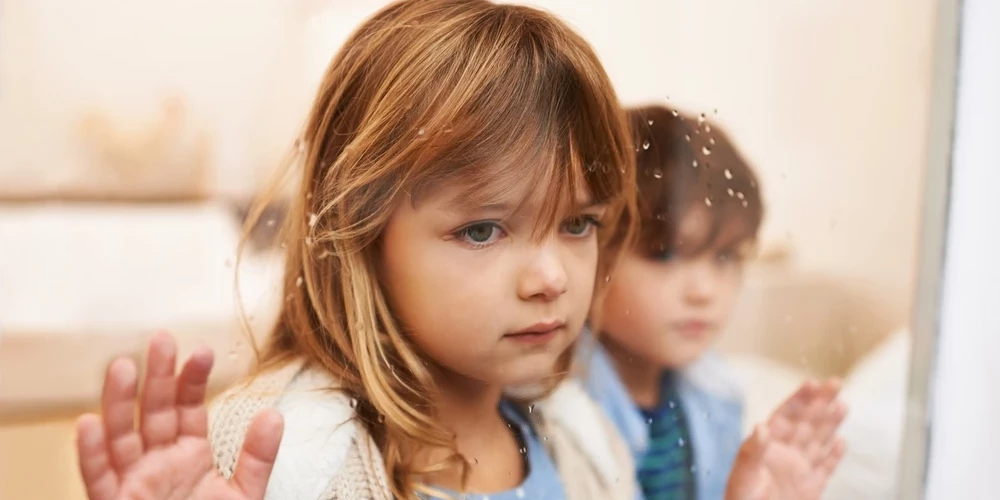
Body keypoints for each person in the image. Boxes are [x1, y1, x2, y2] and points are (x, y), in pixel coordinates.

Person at [74, 1, 640, 499]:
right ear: (361, 233)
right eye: (482, 231)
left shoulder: (582, 441)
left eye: (578, 224)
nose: (550, 278)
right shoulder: (282, 457)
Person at [581, 104, 848, 500]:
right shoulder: (562, 413)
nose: (704, 291)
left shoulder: (716, 395)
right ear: (591, 249)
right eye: (667, 255)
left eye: (725, 257)